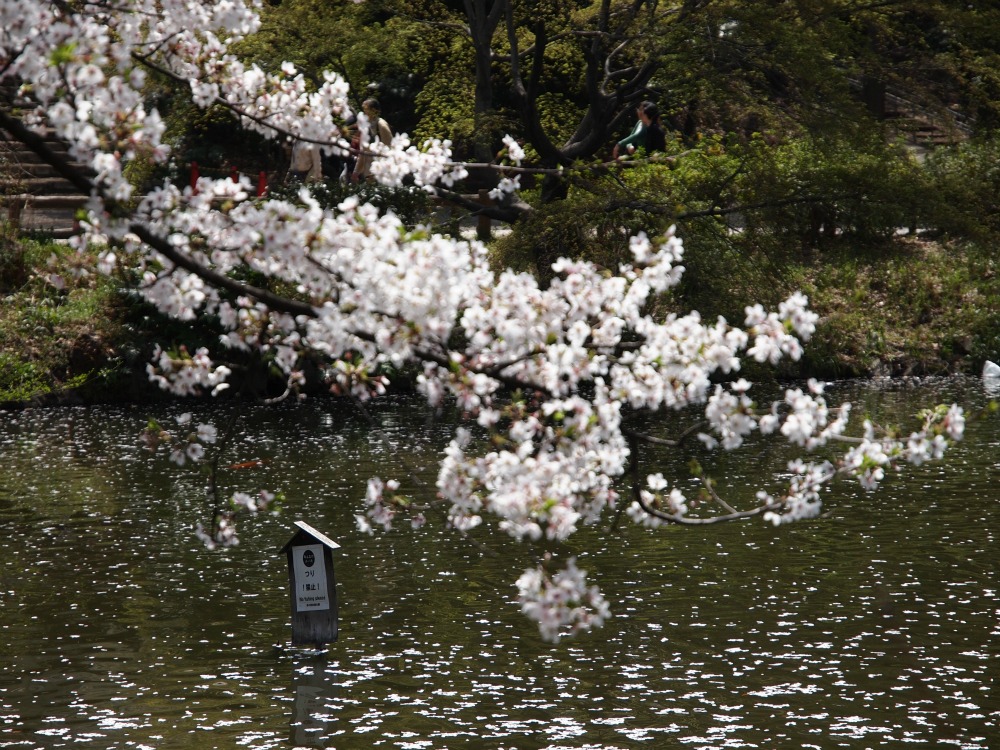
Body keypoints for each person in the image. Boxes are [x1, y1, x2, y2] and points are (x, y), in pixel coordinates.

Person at [351, 98, 392, 183]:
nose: (363, 113)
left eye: (365, 109)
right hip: (368, 175)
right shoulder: (365, 127)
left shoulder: (381, 125)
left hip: (381, 176)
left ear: (374, 110)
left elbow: (389, 150)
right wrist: (356, 172)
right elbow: (363, 152)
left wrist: (379, 171)